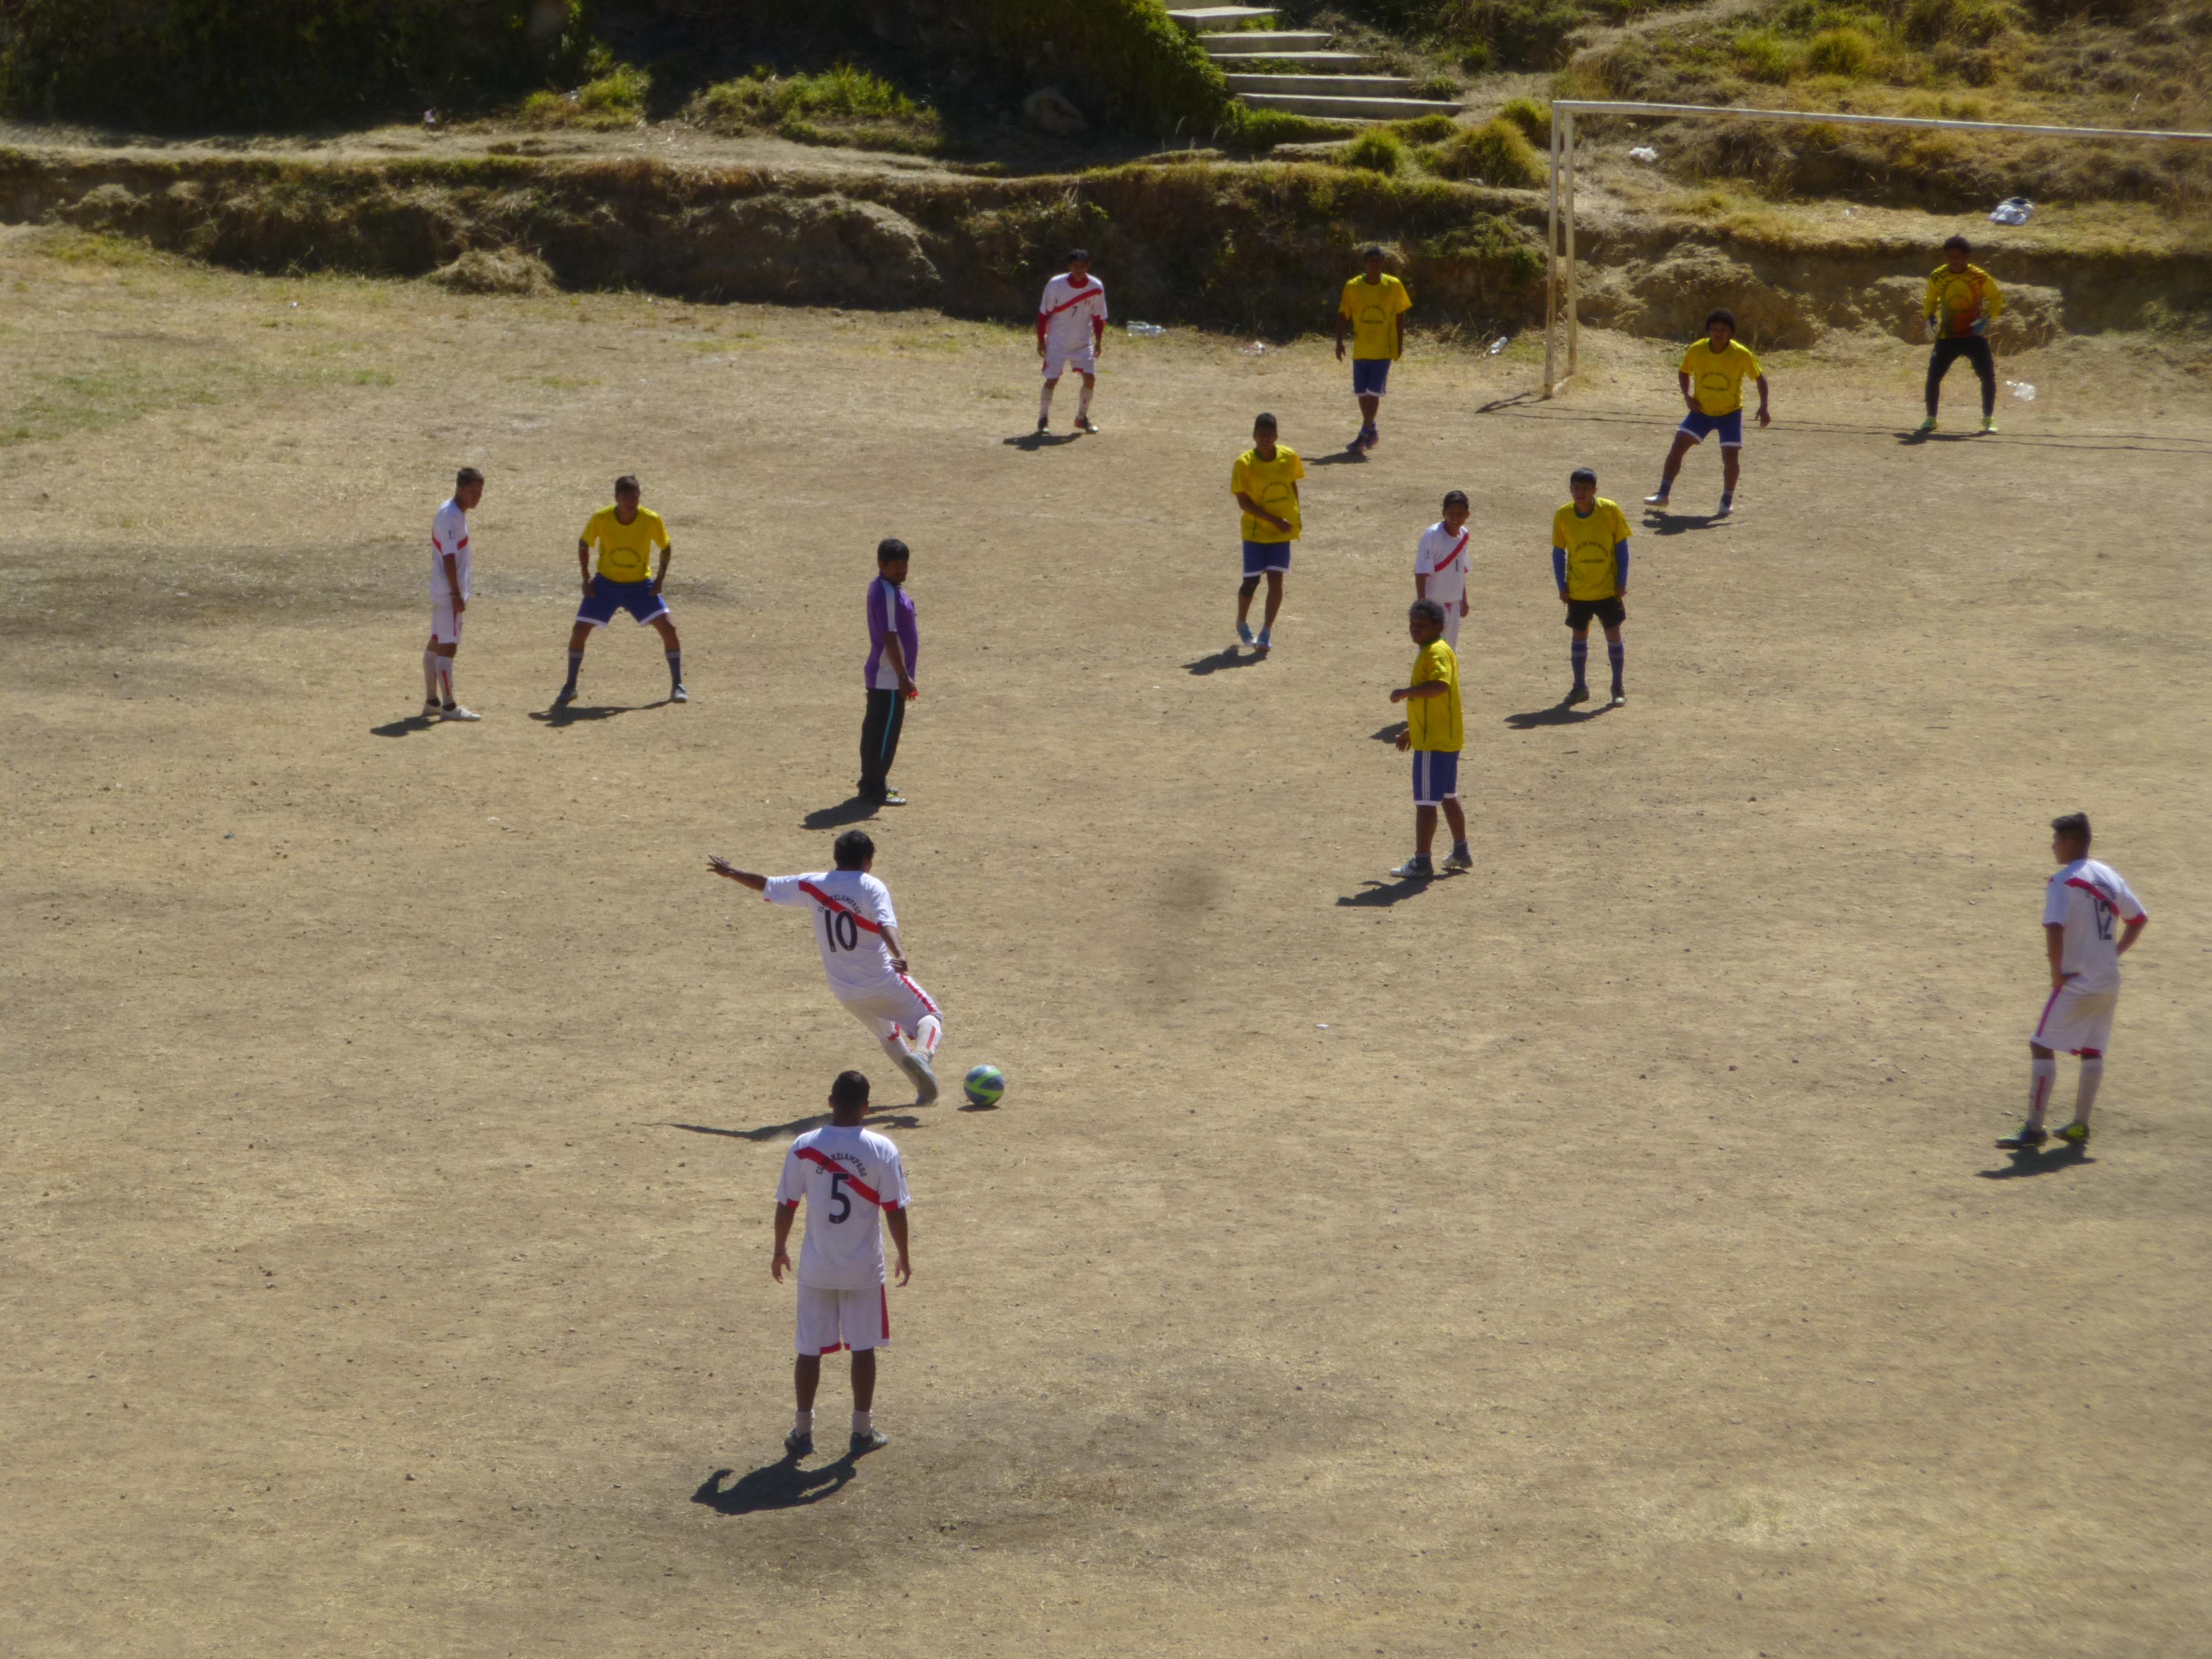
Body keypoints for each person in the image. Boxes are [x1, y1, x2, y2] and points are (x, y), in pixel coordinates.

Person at [708, 828, 943, 1105]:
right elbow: (884, 923)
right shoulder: (871, 886)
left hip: (844, 991)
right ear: (868, 860)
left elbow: (766, 884)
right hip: (881, 980)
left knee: (887, 1034)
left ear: (836, 857)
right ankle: (923, 1057)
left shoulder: (814, 883)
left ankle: (923, 1088)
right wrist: (899, 952)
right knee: (931, 1016)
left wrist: (732, 872)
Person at [771, 1069, 911, 1459]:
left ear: (830, 1103)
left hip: (817, 1269)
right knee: (863, 1349)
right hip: (864, 1270)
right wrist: (904, 1254)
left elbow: (787, 1204)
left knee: (808, 1350)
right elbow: (894, 1210)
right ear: (868, 1108)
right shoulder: (883, 1149)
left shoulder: (804, 1145)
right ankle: (862, 1431)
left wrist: (779, 1249)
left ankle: (803, 1431)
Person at [1999, 814, 2148, 1151]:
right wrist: (2114, 953)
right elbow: (2138, 918)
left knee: (2041, 1043)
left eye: (2057, 841)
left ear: (2071, 842)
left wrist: (2055, 972)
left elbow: (2054, 927)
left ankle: (2035, 1128)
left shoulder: (2063, 881)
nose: (2053, 847)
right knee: (2093, 1050)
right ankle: (2080, 1126)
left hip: (2077, 980)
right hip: (2109, 980)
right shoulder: (2108, 876)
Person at [555, 475, 685, 708]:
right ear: (616, 498)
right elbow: (584, 543)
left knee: (669, 628)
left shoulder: (651, 519)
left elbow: (666, 547)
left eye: (634, 495)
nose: (630, 501)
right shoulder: (602, 518)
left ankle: (678, 684)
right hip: (606, 585)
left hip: (640, 586)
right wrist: (586, 579)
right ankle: (570, 685)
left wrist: (659, 579)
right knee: (579, 630)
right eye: (625, 496)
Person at [1645, 309, 1770, 517]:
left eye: (1723, 330)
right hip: (1701, 411)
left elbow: (1760, 378)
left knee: (1730, 458)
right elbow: (1684, 372)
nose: (1718, 333)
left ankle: (1726, 501)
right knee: (1678, 447)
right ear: (1709, 331)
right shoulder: (1697, 350)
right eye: (1714, 329)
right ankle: (1663, 495)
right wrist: (1687, 396)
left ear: (1731, 333)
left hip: (1730, 414)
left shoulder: (1741, 354)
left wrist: (1764, 406)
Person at [1387, 599, 1470, 879]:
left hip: (1433, 744)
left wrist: (1405, 692)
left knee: (1425, 803)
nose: (1415, 629)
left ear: (1438, 626)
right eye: (1412, 624)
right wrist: (1412, 729)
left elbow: (1439, 686)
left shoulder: (1435, 653)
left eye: (1422, 625)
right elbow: (1435, 702)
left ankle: (1422, 861)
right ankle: (1461, 850)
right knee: (1448, 796)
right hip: (1445, 738)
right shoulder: (1438, 649)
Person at [1553, 467, 1632, 708]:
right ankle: (1580, 687)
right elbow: (1558, 552)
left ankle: (1617, 687)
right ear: (1570, 490)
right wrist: (1562, 585)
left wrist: (1622, 581)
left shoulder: (1610, 510)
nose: (1581, 493)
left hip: (1607, 589)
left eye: (1586, 489)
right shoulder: (1563, 515)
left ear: (1595, 490)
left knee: (1614, 635)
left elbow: (1622, 547)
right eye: (1577, 488)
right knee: (1579, 637)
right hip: (1578, 591)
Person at [1231, 412, 1304, 656]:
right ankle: (1242, 622)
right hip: (1255, 532)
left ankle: (1266, 632)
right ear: (1253, 436)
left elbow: (1292, 485)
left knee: (1276, 580)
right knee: (1251, 581)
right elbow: (1243, 502)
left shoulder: (1289, 457)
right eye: (1260, 435)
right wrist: (1274, 520)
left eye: (1269, 435)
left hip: (1282, 532)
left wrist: (1295, 516)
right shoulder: (1244, 464)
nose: (1264, 439)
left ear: (1276, 436)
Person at [1919, 235, 2005, 435]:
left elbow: (1996, 298)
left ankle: (1988, 419)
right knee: (1933, 378)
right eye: (1949, 256)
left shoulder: (1980, 276)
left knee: (1987, 377)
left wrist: (1988, 318)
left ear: (1966, 256)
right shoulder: (1938, 276)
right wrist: (1929, 318)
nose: (1953, 259)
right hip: (1947, 337)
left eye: (1957, 256)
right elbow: (1930, 299)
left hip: (1973, 336)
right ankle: (1931, 419)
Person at [859, 539, 919, 807]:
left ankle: (873, 783)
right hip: (889, 676)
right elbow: (890, 637)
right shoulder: (887, 593)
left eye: (904, 564)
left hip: (884, 674)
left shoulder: (884, 588)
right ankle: (875, 790)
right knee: (884, 734)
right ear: (881, 565)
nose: (902, 570)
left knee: (875, 731)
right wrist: (903, 677)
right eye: (895, 565)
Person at [1334, 246, 1411, 454]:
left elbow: (1400, 314)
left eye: (1378, 260)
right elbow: (1343, 314)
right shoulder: (1353, 286)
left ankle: (1363, 435)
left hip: (1383, 349)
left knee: (1373, 393)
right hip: (1361, 348)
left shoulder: (1393, 285)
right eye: (1370, 260)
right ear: (1365, 264)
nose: (1374, 264)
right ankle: (1373, 430)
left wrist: (1400, 343)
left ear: (1383, 263)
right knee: (1362, 394)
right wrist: (1339, 342)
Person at [423, 467, 483, 721]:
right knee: (448, 648)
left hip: (442, 591)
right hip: (449, 594)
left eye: (480, 492)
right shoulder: (451, 517)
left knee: (436, 644)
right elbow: (449, 557)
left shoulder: (451, 510)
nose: (477, 497)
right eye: (473, 492)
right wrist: (457, 594)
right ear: (460, 488)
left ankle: (432, 702)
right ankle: (449, 707)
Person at [1036, 248, 1109, 435]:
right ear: (1069, 266)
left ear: (1089, 267)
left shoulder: (1096, 286)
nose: (1079, 270)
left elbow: (1100, 317)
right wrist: (1041, 340)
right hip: (1057, 342)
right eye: (1076, 266)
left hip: (1083, 342)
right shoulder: (1055, 284)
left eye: (1083, 267)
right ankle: (1043, 419)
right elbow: (1044, 314)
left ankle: (1081, 418)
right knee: (1052, 379)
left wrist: (1099, 341)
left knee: (1090, 379)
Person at [1413, 490, 1473, 650]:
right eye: (1451, 513)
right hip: (1433, 605)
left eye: (1460, 513)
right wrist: (1423, 607)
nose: (1456, 517)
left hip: (1453, 604)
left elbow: (1460, 569)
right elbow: (1421, 572)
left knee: (1448, 651)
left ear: (1467, 515)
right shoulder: (1433, 535)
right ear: (1443, 513)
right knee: (1430, 652)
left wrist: (1463, 599)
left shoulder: (1464, 536)